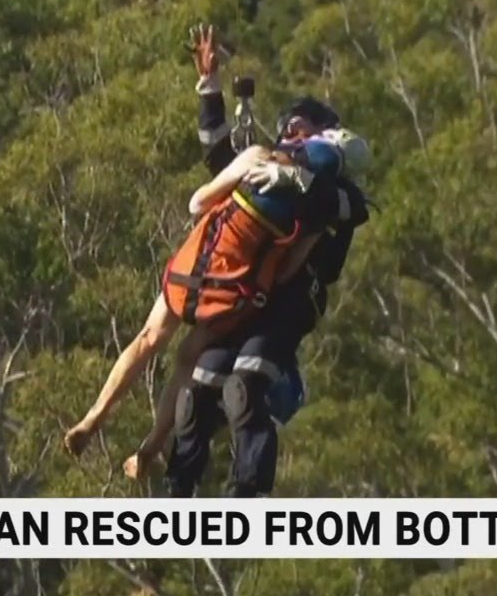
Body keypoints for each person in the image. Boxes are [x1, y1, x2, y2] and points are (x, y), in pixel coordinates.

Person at [123, 25, 373, 497]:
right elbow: (221, 157)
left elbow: (340, 208)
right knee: (195, 393)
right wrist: (209, 86)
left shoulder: (334, 187)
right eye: (288, 127)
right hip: (248, 301)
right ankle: (178, 496)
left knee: (244, 388)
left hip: (289, 306)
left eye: (300, 126)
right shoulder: (269, 170)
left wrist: (293, 177)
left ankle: (248, 494)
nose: (289, 132)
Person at [61, 90, 358, 458]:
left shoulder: (257, 157)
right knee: (189, 357)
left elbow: (198, 202)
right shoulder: (319, 211)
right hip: (232, 292)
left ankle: (92, 418)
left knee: (148, 337)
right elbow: (286, 272)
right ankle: (150, 448)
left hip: (195, 269)